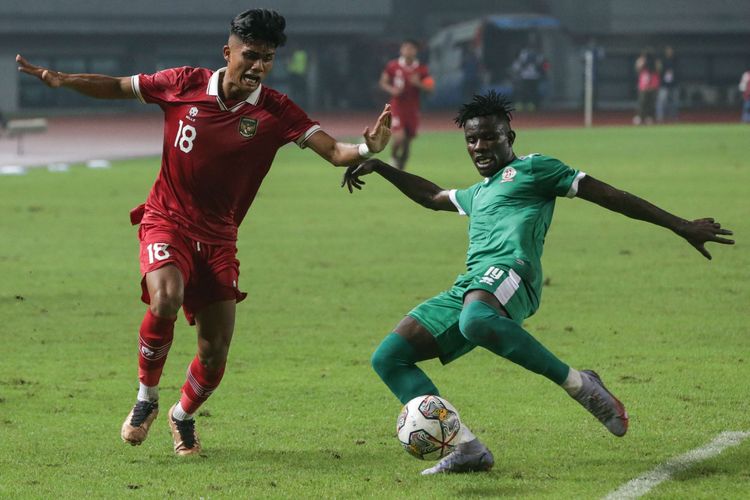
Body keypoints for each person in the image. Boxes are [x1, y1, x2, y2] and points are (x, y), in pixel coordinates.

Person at [16, 8, 391, 456]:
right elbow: (118, 86)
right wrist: (63, 80)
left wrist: (368, 145)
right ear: (227, 52)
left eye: (267, 58)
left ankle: (182, 416)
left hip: (219, 239)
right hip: (166, 219)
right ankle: (145, 399)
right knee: (166, 298)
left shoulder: (275, 109)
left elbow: (334, 152)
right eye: (250, 55)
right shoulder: (183, 83)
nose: (258, 66)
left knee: (215, 354)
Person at [342, 91, 734, 475]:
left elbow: (609, 195)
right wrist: (380, 166)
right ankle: (467, 448)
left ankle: (580, 384)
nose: (479, 146)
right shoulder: (478, 193)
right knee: (389, 356)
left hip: (513, 274)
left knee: (475, 321)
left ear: (509, 138)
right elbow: (431, 196)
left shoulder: (535, 169)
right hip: (472, 284)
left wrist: (680, 225)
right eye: (472, 139)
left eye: (490, 136)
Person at [379, 39, 434, 170]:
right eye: (406, 48)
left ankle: (401, 168)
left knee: (407, 143)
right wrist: (392, 90)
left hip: (413, 108)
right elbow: (383, 82)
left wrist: (418, 84)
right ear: (401, 50)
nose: (408, 51)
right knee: (399, 137)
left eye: (411, 48)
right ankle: (392, 158)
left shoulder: (421, 68)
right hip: (397, 106)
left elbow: (430, 87)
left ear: (416, 51)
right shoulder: (393, 65)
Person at [634, 49, 660, 125]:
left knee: (651, 103)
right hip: (643, 85)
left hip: (653, 85)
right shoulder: (641, 61)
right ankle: (639, 117)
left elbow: (659, 70)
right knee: (642, 103)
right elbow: (637, 70)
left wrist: (656, 62)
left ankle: (649, 117)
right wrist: (641, 61)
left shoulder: (655, 62)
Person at [656, 46, 678, 122]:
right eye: (668, 51)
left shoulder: (675, 60)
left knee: (674, 102)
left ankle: (673, 117)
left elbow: (678, 71)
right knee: (661, 101)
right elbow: (658, 71)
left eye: (671, 51)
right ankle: (660, 117)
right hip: (663, 85)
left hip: (673, 84)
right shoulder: (662, 60)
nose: (669, 52)